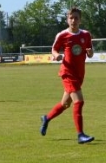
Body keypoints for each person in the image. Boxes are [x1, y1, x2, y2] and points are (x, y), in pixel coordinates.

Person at [40, 8, 94, 144]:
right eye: (71, 18)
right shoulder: (62, 35)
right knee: (79, 101)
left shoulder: (86, 35)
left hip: (79, 74)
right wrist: (56, 55)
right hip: (67, 73)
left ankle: (46, 118)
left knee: (65, 104)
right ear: (67, 19)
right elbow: (53, 49)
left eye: (76, 18)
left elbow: (90, 52)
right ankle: (80, 135)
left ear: (80, 20)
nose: (73, 20)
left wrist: (90, 52)